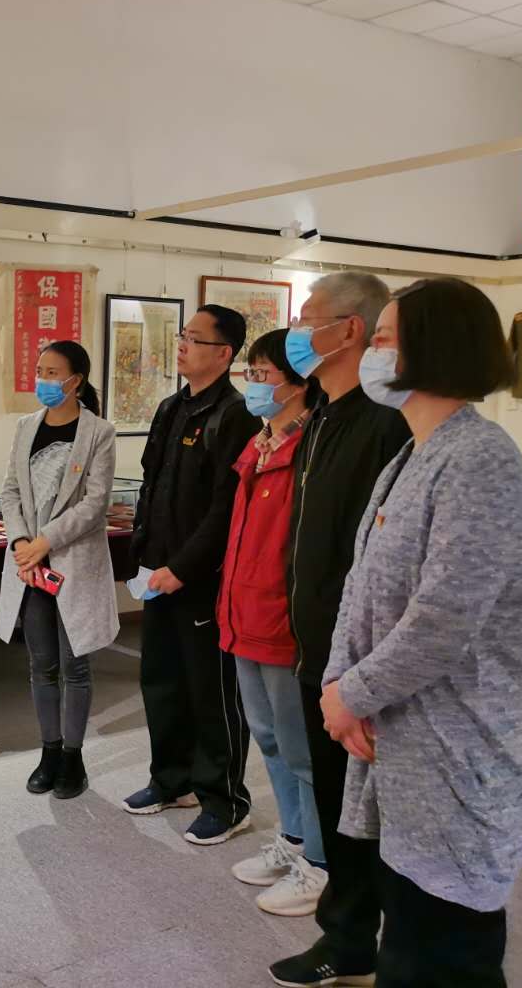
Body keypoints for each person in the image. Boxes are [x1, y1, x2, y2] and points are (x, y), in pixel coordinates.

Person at [320, 278, 522, 987]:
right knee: (408, 938)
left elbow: (443, 619)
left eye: (383, 338)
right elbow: (362, 588)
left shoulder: (480, 458)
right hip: (399, 738)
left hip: (454, 744)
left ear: (435, 348)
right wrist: (339, 685)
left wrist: (352, 693)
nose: (372, 353)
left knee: (443, 952)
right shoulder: (411, 456)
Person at [269, 272, 410, 988]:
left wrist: (359, 670)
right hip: (314, 642)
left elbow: (383, 563)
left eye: (307, 319)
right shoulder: (323, 413)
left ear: (350, 329)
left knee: (367, 810)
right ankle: (348, 935)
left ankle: (360, 935)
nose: (298, 333)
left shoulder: (386, 423)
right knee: (334, 798)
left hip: (357, 656)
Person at [123, 305, 262, 843]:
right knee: (161, 681)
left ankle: (225, 800)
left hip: (202, 578)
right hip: (157, 572)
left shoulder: (235, 415)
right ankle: (171, 779)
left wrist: (183, 568)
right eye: (182, 335)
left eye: (194, 338)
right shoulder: (171, 407)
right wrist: (144, 553)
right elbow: (151, 485)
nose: (181, 345)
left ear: (223, 353)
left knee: (212, 692)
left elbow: (227, 508)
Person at [215, 329, 324, 917]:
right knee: (269, 737)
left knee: (302, 748)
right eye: (250, 373)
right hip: (243, 611)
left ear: (298, 383)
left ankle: (321, 863)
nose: (253, 385)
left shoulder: (311, 447)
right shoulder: (259, 444)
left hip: (281, 620)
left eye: (262, 374)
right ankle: (295, 838)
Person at [0, 340, 119, 800]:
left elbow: (95, 502)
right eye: (40, 370)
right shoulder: (26, 426)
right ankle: (48, 751)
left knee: (75, 665)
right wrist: (21, 542)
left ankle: (73, 756)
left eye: (53, 372)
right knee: (41, 665)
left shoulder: (99, 432)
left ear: (75, 380)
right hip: (30, 568)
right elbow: (10, 491)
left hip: (72, 561)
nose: (43, 380)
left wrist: (46, 541)